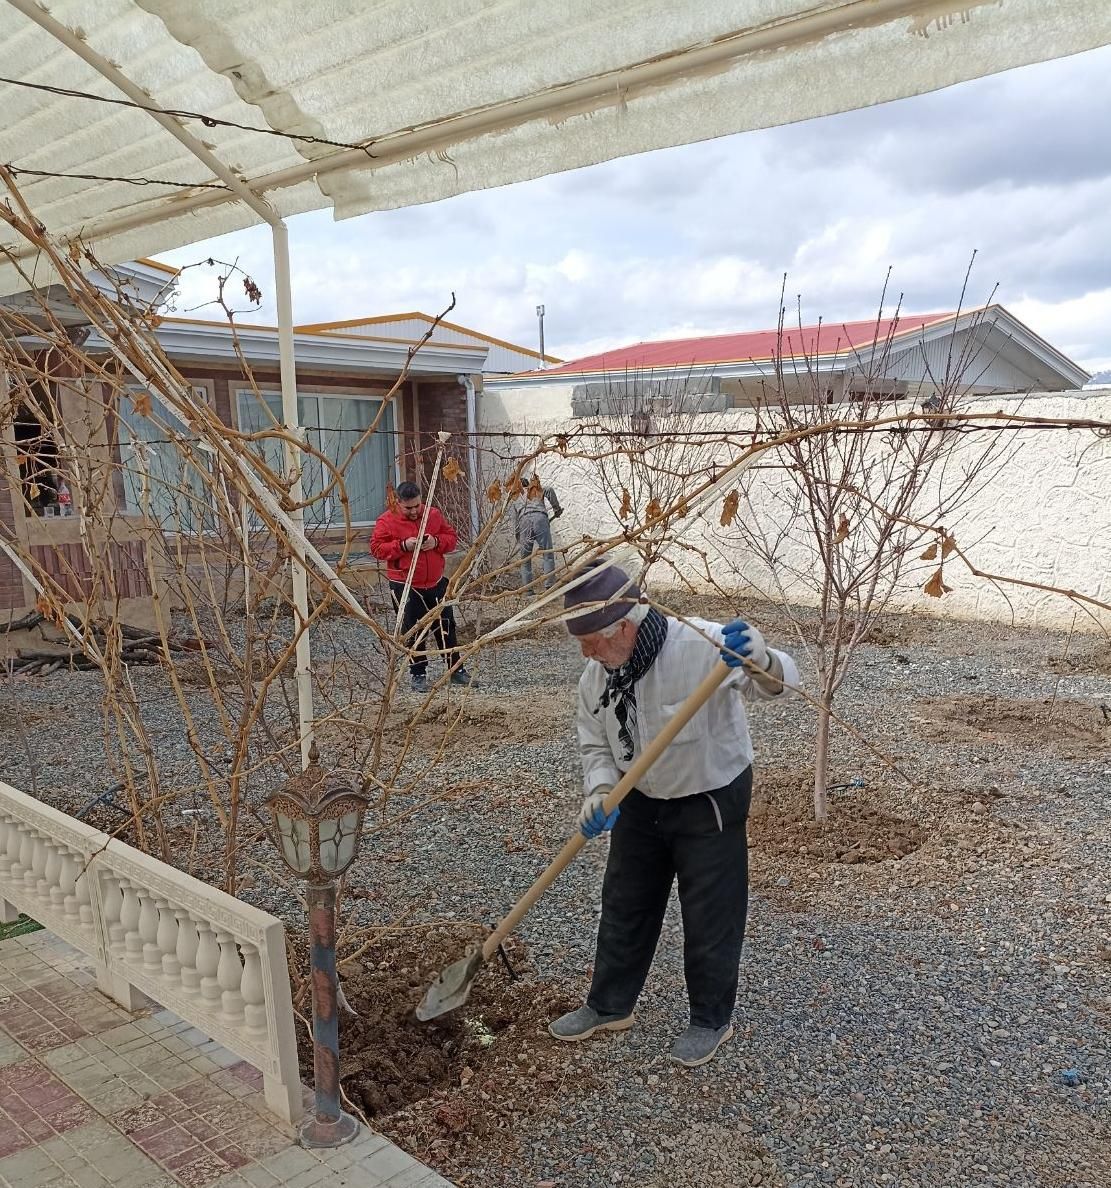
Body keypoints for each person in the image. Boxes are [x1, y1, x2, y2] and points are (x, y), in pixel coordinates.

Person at [548, 560, 798, 1067]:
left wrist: (761, 657)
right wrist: (599, 791)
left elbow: (779, 685)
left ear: (625, 625)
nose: (586, 652)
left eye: (593, 639)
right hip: (638, 796)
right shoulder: (596, 678)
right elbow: (595, 743)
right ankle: (609, 1005)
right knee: (625, 901)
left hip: (709, 794)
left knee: (711, 912)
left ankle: (710, 1018)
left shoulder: (701, 645)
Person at [370, 481, 474, 693]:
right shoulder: (386, 521)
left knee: (446, 626)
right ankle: (418, 674)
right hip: (405, 585)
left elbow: (451, 538)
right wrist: (402, 546)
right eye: (409, 508)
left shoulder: (432, 515)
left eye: (417, 505)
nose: (414, 511)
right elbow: (377, 548)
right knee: (414, 630)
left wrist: (436, 542)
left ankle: (456, 670)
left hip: (436, 582)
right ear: (398, 503)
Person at [513, 475, 563, 591]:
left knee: (525, 560)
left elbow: (515, 522)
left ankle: (528, 591)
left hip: (524, 522)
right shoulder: (536, 490)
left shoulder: (516, 498)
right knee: (547, 554)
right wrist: (557, 509)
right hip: (540, 519)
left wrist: (518, 537)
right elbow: (549, 490)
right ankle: (550, 588)